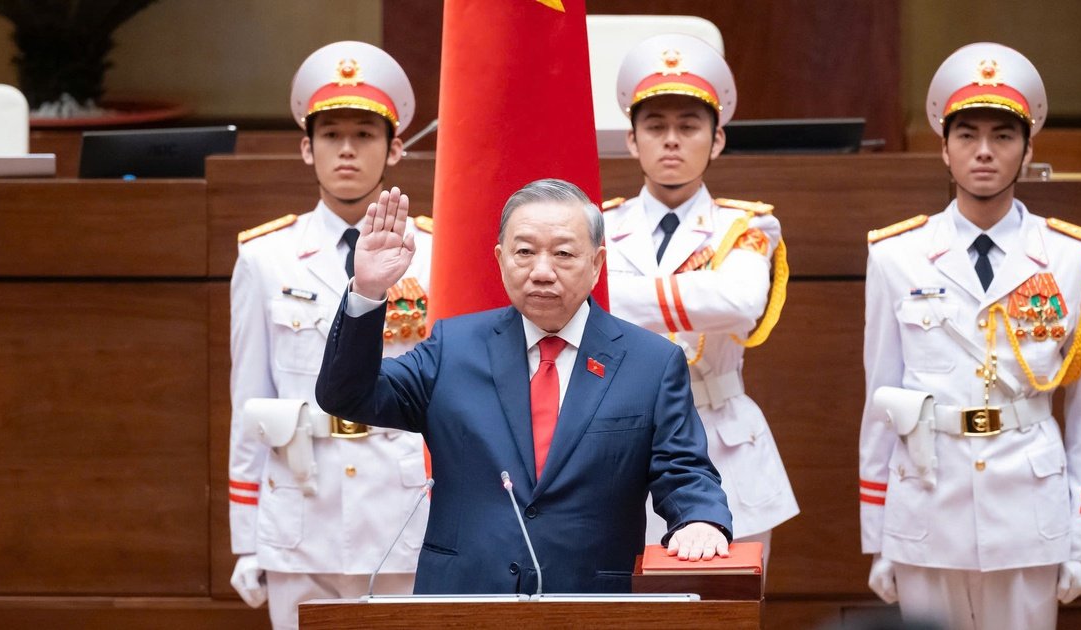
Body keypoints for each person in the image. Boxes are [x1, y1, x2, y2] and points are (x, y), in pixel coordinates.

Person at [315, 178, 733, 594]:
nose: (542, 271)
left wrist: (700, 519)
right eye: (525, 252)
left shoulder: (651, 362)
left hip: (590, 602)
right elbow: (348, 396)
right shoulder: (453, 348)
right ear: (500, 259)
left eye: (564, 254)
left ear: (596, 262)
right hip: (463, 600)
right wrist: (367, 291)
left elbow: (684, 469)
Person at [859, 43, 1081, 630]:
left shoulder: (1075, 259)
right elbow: (881, 399)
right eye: (967, 134)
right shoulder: (896, 254)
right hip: (925, 500)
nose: (983, 152)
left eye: (1002, 135)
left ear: (1028, 148)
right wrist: (878, 533)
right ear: (943, 148)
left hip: (1029, 506)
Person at [228, 41, 432, 629]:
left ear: (395, 148)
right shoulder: (267, 257)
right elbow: (249, 400)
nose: (347, 150)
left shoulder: (435, 251)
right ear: (305, 147)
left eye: (365, 134)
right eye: (331, 134)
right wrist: (247, 537)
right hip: (301, 504)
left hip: (400, 506)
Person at [603, 33, 798, 568]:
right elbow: (581, 306)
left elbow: (739, 302)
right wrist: (695, 295)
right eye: (655, 126)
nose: (671, 140)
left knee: (723, 609)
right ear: (631, 140)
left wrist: (617, 297)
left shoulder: (748, 224)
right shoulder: (597, 224)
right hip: (619, 438)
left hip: (723, 436)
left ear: (717, 140)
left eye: (688, 127)